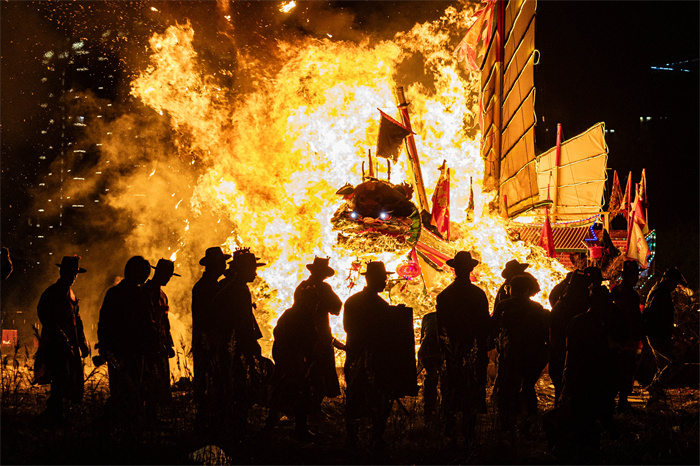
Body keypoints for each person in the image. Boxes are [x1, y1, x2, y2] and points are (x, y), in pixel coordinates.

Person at [267, 257, 342, 439]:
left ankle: (291, 418)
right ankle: (304, 416)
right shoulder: (320, 291)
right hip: (310, 342)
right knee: (313, 379)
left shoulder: (302, 288)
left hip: (307, 342)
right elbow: (337, 307)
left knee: (305, 381)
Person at [211, 248, 271, 439]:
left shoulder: (236, 287)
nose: (255, 273)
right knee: (238, 385)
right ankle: (235, 428)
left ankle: (233, 425)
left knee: (238, 384)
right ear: (242, 269)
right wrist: (250, 345)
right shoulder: (235, 290)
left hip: (235, 344)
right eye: (252, 269)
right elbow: (240, 321)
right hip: (235, 346)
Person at [97, 256, 161, 422]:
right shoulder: (135, 294)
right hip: (130, 349)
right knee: (129, 384)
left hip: (125, 349)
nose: (146, 277)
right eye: (144, 273)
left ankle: (123, 416)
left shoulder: (116, 293)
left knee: (125, 385)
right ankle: (123, 418)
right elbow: (147, 323)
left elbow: (103, 322)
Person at [436, 251, 489, 443]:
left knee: (451, 386)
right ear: (470, 269)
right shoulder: (478, 295)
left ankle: (449, 428)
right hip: (473, 348)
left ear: (455, 270)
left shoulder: (445, 295)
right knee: (472, 387)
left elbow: (440, 326)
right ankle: (469, 429)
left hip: (451, 351)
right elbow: (484, 325)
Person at [560, 285, 619, 455]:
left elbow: (569, 352)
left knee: (585, 415)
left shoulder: (579, 321)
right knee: (590, 415)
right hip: (590, 378)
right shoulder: (592, 324)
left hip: (583, 377)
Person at [343, 261, 396, 451]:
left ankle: (352, 439)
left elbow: (347, 328)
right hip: (374, 358)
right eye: (383, 278)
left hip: (354, 356)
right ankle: (376, 437)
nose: (385, 281)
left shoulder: (352, 302)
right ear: (371, 279)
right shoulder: (381, 307)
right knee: (379, 397)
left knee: (354, 397)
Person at [34, 255, 89, 423]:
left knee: (69, 378)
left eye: (75, 273)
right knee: (59, 377)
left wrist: (82, 341)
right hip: (56, 344)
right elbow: (44, 315)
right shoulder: (52, 293)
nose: (73, 276)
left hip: (71, 344)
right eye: (70, 272)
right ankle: (55, 411)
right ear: (61, 271)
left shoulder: (71, 295)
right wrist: (58, 334)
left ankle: (62, 411)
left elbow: (77, 320)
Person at [493, 274, 550, 429]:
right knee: (527, 387)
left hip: (512, 353)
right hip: (532, 354)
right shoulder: (536, 309)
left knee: (509, 387)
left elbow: (493, 328)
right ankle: (529, 419)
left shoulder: (504, 306)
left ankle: (508, 421)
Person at [191, 246, 230, 434]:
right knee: (207, 381)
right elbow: (207, 318)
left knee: (213, 381)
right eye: (222, 263)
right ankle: (204, 422)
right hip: (207, 341)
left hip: (210, 340)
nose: (224, 266)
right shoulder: (205, 287)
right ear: (214, 265)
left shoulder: (212, 285)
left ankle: (210, 420)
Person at [643, 266, 689, 407]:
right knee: (677, 361)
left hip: (655, 334)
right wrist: (674, 331)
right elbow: (661, 317)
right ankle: (656, 386)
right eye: (675, 283)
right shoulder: (661, 293)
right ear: (669, 280)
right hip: (658, 335)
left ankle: (655, 401)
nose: (675, 287)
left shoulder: (657, 290)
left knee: (662, 365)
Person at [549, 270, 590, 405]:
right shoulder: (575, 307)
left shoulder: (561, 302)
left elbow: (552, 296)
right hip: (568, 355)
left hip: (559, 352)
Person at [143, 258, 179, 407]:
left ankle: (155, 414)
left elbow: (165, 322)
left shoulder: (163, 295)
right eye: (167, 275)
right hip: (149, 345)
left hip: (161, 344)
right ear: (158, 272)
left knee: (161, 380)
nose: (168, 279)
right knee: (149, 380)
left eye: (170, 276)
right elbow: (146, 320)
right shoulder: (145, 292)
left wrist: (168, 343)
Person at [610, 260, 643, 412]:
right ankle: (622, 401)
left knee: (616, 369)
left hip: (615, 337)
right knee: (626, 369)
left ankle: (613, 400)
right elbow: (633, 317)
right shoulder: (630, 294)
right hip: (627, 337)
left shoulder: (615, 291)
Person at [418, 311, 440, 423]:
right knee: (444, 378)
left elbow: (422, 336)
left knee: (430, 377)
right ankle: (438, 408)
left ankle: (429, 409)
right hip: (436, 350)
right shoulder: (449, 316)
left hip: (426, 350)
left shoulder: (427, 317)